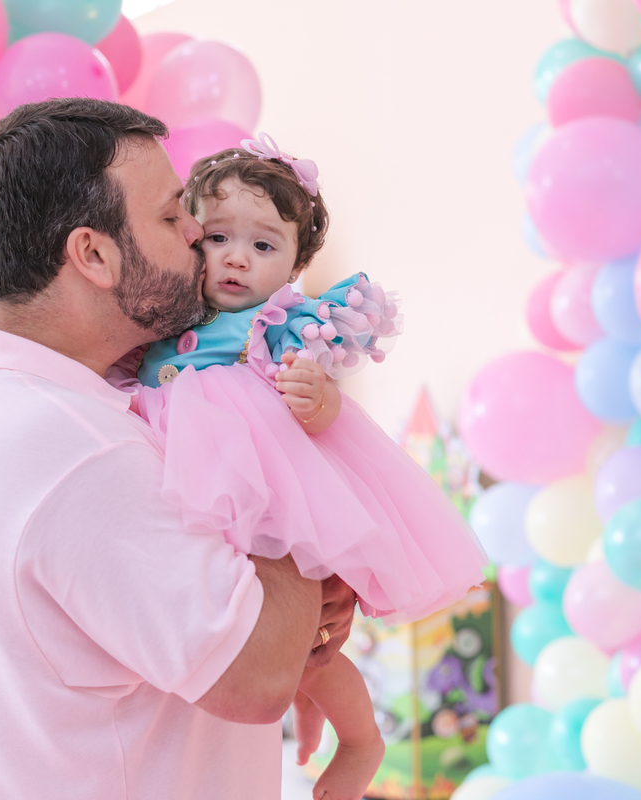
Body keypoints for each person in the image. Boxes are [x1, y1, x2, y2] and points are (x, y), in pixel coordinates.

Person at [0, 98, 357, 800]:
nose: (197, 233)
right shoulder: (79, 451)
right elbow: (261, 673)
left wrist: (295, 614)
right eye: (171, 217)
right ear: (94, 254)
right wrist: (294, 583)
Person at [109, 137, 488, 800]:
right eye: (218, 237)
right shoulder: (166, 310)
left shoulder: (281, 324)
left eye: (263, 245)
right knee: (239, 625)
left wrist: (317, 398)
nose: (236, 258)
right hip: (188, 496)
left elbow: (324, 417)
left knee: (306, 644)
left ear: (295, 264)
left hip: (264, 492)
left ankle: (362, 739)